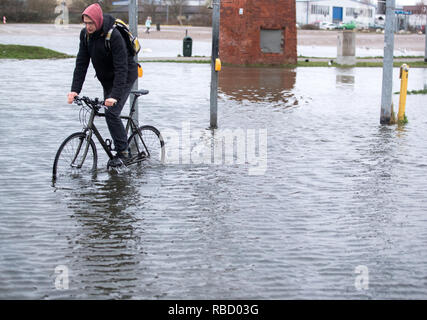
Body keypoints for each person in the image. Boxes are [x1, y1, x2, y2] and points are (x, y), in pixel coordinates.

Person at [67, 3, 138, 167]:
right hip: (107, 79)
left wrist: (114, 95)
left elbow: (122, 68)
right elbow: (81, 64)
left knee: (112, 113)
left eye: (91, 23)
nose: (88, 27)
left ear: (98, 21)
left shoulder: (113, 36)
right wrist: (74, 90)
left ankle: (124, 152)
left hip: (125, 76)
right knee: (107, 112)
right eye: (85, 23)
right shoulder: (85, 36)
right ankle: (120, 147)